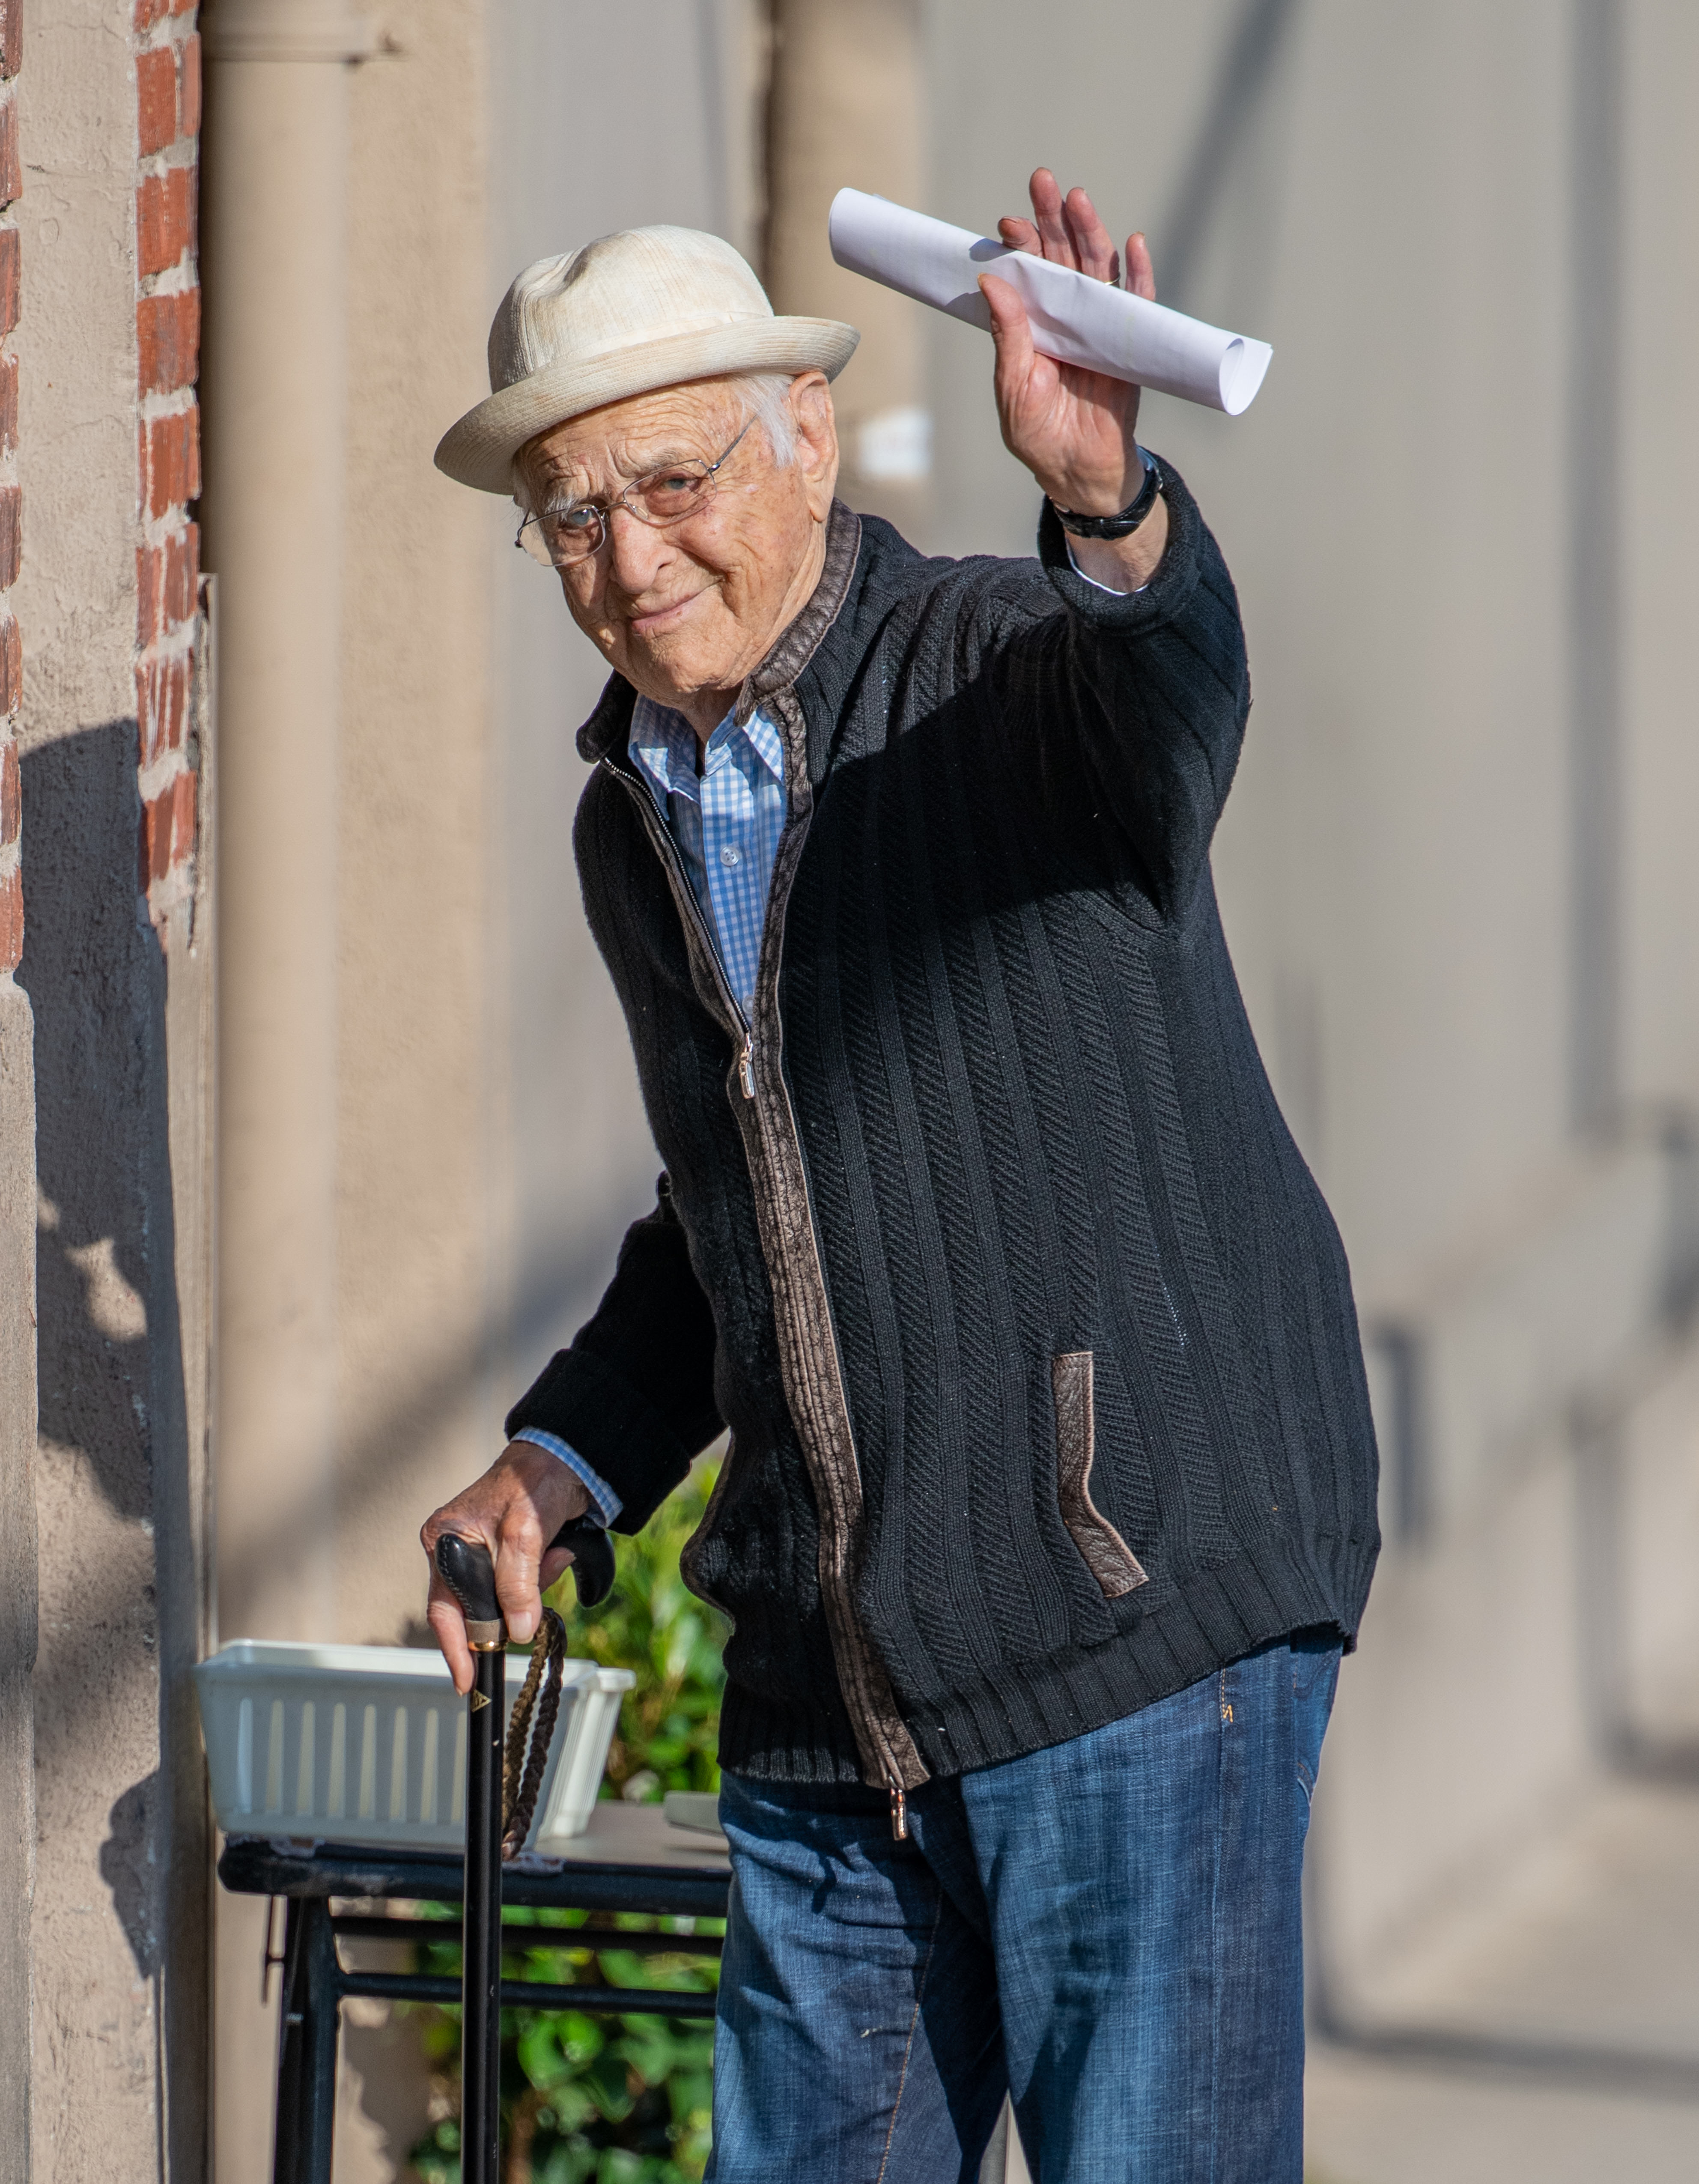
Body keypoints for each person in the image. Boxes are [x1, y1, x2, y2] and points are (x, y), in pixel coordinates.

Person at [424, 169, 1378, 2184]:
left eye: (671, 479)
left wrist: (1109, 512)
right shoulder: (635, 821)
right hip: (832, 1711)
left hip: (1125, 1621)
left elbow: (1162, 719)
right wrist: (565, 1460)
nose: (630, 551)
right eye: (572, 515)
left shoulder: (998, 663)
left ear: (805, 439)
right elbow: (733, 1206)